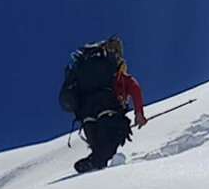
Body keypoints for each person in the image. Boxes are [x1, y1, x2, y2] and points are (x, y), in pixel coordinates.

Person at [59, 36, 146, 173]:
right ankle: (97, 161)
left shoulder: (86, 70)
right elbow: (134, 87)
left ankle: (95, 161)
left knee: (99, 146)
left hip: (87, 114)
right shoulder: (115, 71)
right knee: (111, 140)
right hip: (108, 109)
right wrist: (139, 113)